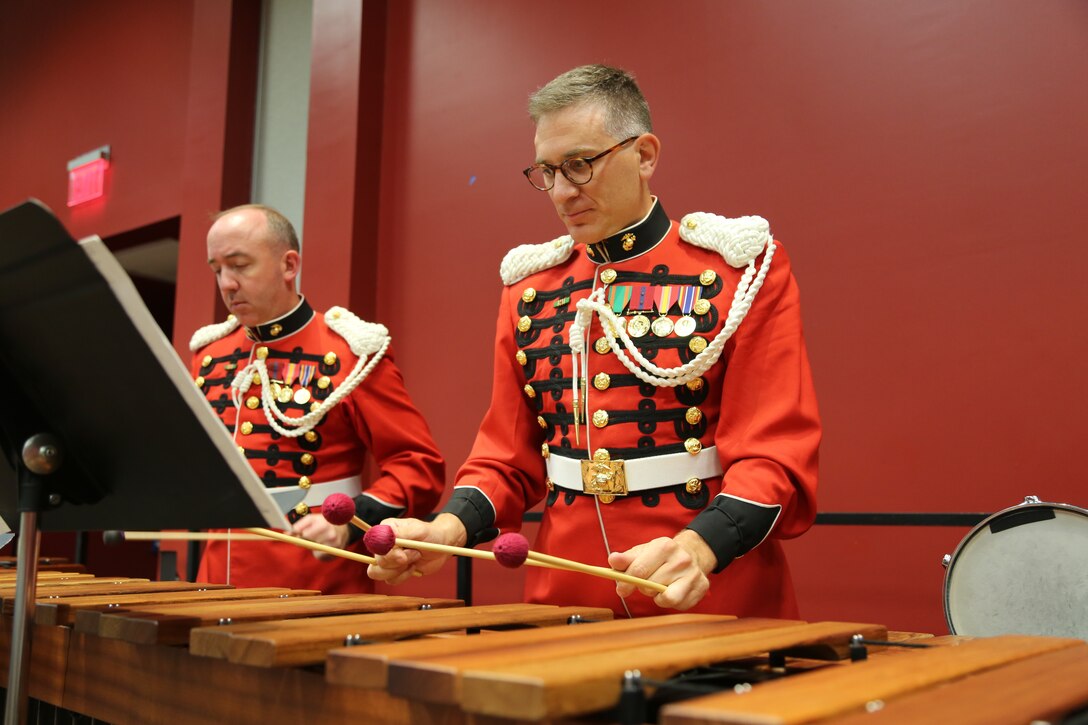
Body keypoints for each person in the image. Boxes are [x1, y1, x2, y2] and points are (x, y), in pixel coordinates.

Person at [368, 65, 819, 618]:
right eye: (546, 172)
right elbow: (506, 460)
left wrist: (698, 549)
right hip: (566, 595)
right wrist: (445, 528)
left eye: (579, 165)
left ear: (645, 155)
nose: (560, 192)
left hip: (708, 588)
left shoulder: (739, 272)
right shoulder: (531, 290)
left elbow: (775, 454)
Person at [189, 204, 445, 594]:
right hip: (215, 579)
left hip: (315, 583)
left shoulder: (350, 352)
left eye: (240, 265)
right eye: (217, 269)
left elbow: (418, 466)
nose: (226, 283)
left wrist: (351, 519)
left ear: (289, 265)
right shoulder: (211, 356)